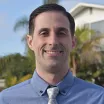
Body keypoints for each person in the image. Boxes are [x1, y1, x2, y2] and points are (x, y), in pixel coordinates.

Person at [0, 3, 104, 104]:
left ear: (73, 42)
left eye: (61, 33)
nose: (53, 41)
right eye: (44, 33)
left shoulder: (99, 98)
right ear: (30, 42)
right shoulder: (5, 100)